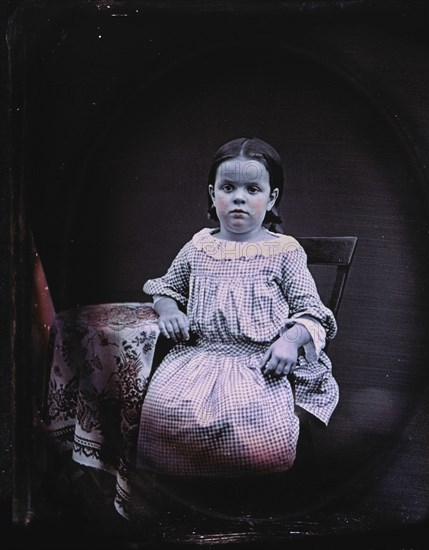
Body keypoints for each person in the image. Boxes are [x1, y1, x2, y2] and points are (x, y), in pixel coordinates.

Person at [136, 137, 339, 481]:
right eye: (228, 187)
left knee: (248, 423)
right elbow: (165, 287)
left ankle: (243, 502)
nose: (239, 198)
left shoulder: (284, 252)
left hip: (258, 366)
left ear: (271, 198)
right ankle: (184, 498)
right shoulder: (199, 246)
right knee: (164, 411)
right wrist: (169, 308)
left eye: (253, 189)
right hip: (196, 363)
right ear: (213, 194)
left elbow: (313, 311)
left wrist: (290, 341)